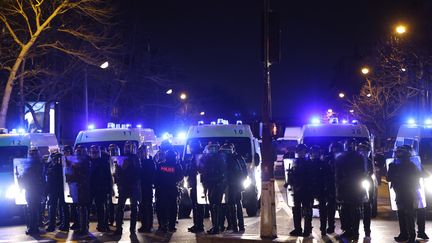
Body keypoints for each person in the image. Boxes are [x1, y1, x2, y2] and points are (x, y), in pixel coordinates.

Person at [388, 146, 421, 242]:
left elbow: (418, 175)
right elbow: (389, 178)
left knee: (408, 214)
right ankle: (404, 234)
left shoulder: (410, 165)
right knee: (402, 214)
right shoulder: (394, 165)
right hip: (400, 192)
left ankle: (411, 235)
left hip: (408, 192)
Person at [335, 139, 368, 240]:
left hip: (355, 188)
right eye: (349, 144)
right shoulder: (341, 157)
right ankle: (348, 231)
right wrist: (339, 187)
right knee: (345, 211)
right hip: (345, 187)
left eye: (352, 144)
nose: (350, 146)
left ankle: (355, 232)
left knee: (355, 212)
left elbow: (363, 173)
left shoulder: (359, 157)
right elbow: (338, 173)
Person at [114, 141, 141, 235]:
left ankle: (132, 229)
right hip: (124, 187)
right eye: (127, 147)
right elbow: (117, 173)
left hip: (133, 187)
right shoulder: (121, 158)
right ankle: (118, 228)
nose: (128, 149)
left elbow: (138, 173)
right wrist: (119, 184)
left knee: (133, 208)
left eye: (130, 147)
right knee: (120, 208)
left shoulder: (136, 158)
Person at [287, 144, 314, 237]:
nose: (300, 153)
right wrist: (289, 181)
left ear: (305, 152)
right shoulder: (295, 162)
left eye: (301, 151)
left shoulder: (309, 162)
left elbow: (310, 177)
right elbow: (292, 174)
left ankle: (307, 229)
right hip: (297, 190)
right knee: (296, 210)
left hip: (306, 190)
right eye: (298, 151)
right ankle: (298, 229)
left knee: (307, 211)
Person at [17, 146, 44, 235]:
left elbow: (26, 176)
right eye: (31, 153)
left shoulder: (33, 164)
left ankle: (33, 228)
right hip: (34, 189)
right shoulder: (38, 163)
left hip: (32, 189)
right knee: (33, 210)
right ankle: (33, 228)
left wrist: (19, 176)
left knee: (32, 210)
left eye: (32, 153)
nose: (31, 154)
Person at [154, 149, 183, 233]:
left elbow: (156, 177)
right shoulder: (177, 166)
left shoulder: (160, 165)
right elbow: (180, 177)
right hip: (172, 189)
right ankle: (171, 226)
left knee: (161, 208)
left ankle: (163, 226)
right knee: (173, 208)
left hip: (161, 189)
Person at [201, 143, 227, 235]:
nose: (212, 150)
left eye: (213, 148)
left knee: (215, 207)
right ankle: (218, 226)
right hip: (216, 185)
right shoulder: (220, 158)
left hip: (214, 185)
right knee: (217, 206)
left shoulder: (213, 159)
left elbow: (203, 170)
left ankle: (216, 227)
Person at [221, 143, 247, 233]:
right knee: (237, 204)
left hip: (232, 185)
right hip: (237, 185)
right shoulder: (238, 158)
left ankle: (235, 226)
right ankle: (239, 226)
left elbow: (244, 172)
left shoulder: (230, 159)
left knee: (232, 204)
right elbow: (245, 173)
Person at [68, 145, 91, 235]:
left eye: (79, 151)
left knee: (82, 207)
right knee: (80, 207)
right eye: (77, 151)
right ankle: (82, 227)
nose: (77, 153)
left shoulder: (85, 161)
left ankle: (84, 228)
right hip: (79, 186)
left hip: (84, 187)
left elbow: (84, 175)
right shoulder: (82, 161)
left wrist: (75, 168)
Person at [45, 147, 69, 232]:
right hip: (58, 189)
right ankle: (63, 224)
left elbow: (50, 176)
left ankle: (54, 225)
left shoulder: (56, 166)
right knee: (61, 206)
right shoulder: (60, 165)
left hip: (56, 189)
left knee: (56, 207)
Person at [89, 145, 112, 232]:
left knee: (101, 208)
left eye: (95, 151)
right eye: (93, 152)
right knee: (88, 207)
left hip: (101, 188)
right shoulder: (89, 161)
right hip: (91, 187)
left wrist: (108, 188)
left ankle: (103, 225)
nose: (94, 153)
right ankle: (86, 226)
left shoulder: (104, 162)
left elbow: (108, 176)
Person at [322, 142, 343, 234]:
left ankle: (344, 226)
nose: (335, 150)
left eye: (337, 148)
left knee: (343, 209)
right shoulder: (327, 159)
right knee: (331, 208)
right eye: (334, 148)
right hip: (331, 186)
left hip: (341, 186)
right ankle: (330, 226)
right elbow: (324, 173)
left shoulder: (343, 159)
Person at [310, 145, 330, 236]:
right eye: (314, 152)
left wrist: (326, 187)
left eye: (316, 152)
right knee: (308, 209)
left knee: (323, 210)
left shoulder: (323, 164)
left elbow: (327, 176)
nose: (315, 154)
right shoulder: (308, 164)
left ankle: (323, 229)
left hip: (321, 188)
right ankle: (308, 228)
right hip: (311, 188)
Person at [186, 140, 205, 233]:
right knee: (195, 206)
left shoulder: (198, 156)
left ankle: (199, 225)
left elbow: (198, 170)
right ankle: (197, 224)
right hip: (195, 184)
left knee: (198, 206)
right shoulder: (195, 156)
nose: (189, 148)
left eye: (190, 146)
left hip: (198, 185)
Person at [356, 142, 373, 238]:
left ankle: (367, 231)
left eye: (365, 150)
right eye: (361, 150)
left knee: (367, 210)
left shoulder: (369, 161)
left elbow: (371, 172)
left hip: (367, 186)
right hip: (357, 186)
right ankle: (355, 231)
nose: (363, 152)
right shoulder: (355, 161)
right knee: (356, 210)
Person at [138, 145, 156, 233]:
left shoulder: (150, 162)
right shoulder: (139, 162)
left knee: (148, 206)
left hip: (147, 186)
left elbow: (152, 174)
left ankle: (149, 225)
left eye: (143, 152)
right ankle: (144, 224)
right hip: (141, 186)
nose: (141, 154)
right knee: (142, 207)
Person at [107, 144, 120, 226]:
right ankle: (111, 219)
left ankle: (118, 220)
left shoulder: (121, 160)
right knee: (110, 204)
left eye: (114, 150)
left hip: (119, 185)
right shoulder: (107, 160)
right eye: (111, 150)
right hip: (109, 185)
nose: (113, 152)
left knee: (119, 205)